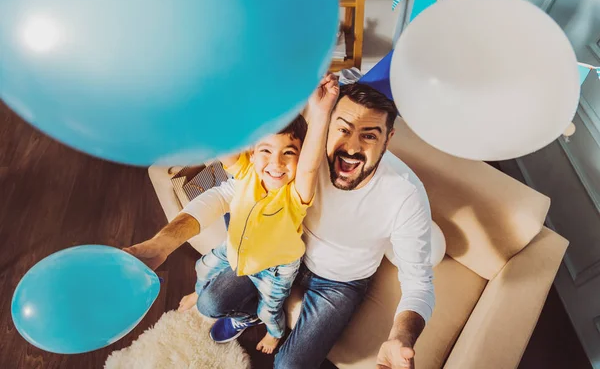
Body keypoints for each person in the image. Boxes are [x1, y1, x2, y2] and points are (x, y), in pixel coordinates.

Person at [125, 82, 434, 369]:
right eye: (343, 129)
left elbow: (419, 283)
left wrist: (400, 337)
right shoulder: (302, 157)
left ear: (388, 138)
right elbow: (228, 192)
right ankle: (247, 316)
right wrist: (162, 243)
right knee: (210, 302)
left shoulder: (405, 195)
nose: (351, 148)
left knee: (289, 365)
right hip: (279, 250)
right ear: (326, 126)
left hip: (339, 282)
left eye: (369, 135)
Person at [176, 74, 339, 353]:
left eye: (289, 152)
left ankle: (267, 329)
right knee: (201, 268)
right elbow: (223, 144)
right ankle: (200, 291)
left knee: (269, 311)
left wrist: (322, 111)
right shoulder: (246, 172)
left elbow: (310, 166)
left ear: (299, 159)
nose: (276, 163)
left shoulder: (294, 195)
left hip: (275, 269)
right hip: (235, 250)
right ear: (252, 153)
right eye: (266, 150)